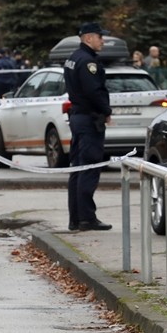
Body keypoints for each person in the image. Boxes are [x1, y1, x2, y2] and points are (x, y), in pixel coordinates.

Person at [64, 22, 114, 232]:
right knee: (89, 168)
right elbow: (93, 91)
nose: (103, 41)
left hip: (79, 118)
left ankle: (76, 218)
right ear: (88, 38)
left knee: (78, 168)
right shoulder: (87, 62)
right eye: (100, 37)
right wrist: (106, 110)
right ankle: (86, 218)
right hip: (89, 120)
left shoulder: (74, 58)